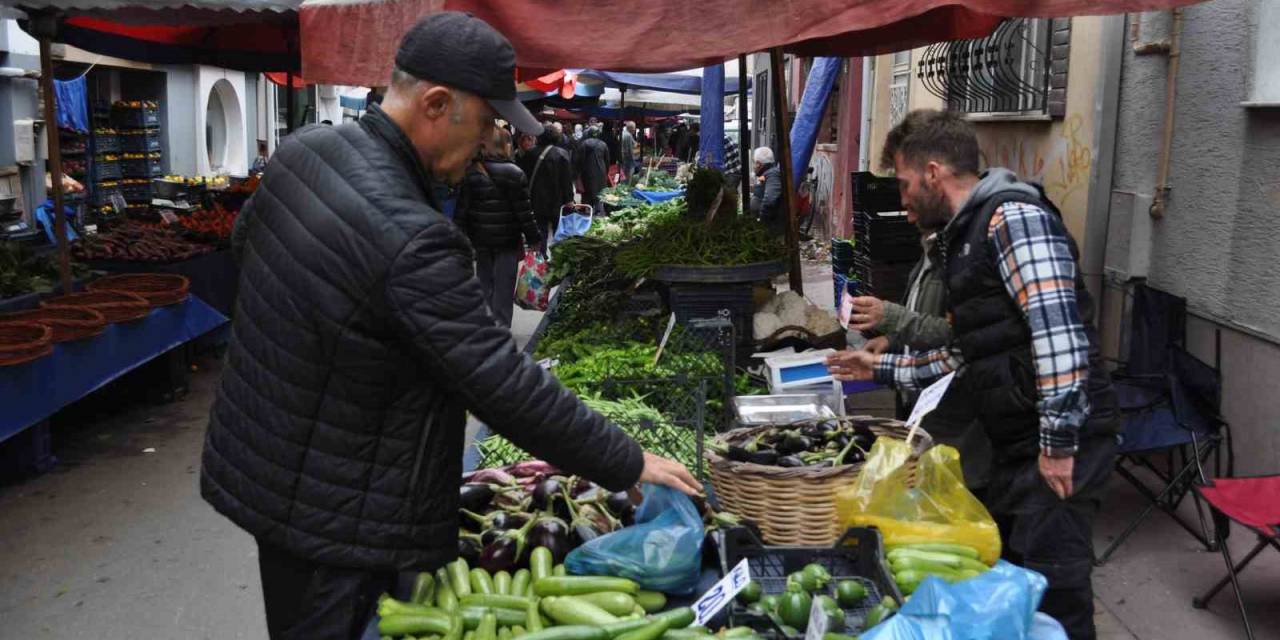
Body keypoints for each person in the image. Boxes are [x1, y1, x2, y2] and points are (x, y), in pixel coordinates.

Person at [201, 13, 700, 640]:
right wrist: (627, 461)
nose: (495, 140)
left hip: (264, 464)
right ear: (436, 104)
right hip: (339, 508)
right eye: (489, 121)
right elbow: (501, 381)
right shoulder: (413, 235)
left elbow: (246, 253)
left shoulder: (306, 151)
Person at [825, 109, 1118, 640]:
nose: (903, 198)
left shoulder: (1011, 219)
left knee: (1057, 586)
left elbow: (1059, 336)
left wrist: (1057, 442)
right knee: (1014, 576)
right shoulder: (963, 239)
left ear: (933, 172)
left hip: (1055, 440)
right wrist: (880, 365)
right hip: (1016, 436)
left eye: (905, 182)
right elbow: (964, 359)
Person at [458, 125, 542, 327]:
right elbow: (524, 212)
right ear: (506, 146)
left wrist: (461, 236)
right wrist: (534, 238)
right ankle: (501, 329)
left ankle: (484, 326)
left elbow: (463, 209)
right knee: (504, 287)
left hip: (480, 239)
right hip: (507, 240)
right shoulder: (514, 173)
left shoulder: (472, 171)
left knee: (484, 282)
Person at [517, 123, 576, 242]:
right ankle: (557, 256)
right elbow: (566, 180)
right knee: (559, 232)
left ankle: (541, 257)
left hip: (536, 200)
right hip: (557, 200)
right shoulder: (561, 154)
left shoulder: (530, 154)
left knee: (540, 231)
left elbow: (524, 177)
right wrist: (569, 199)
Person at [575, 127, 610, 211]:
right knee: (599, 195)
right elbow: (607, 161)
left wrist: (578, 174)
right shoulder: (603, 144)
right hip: (601, 173)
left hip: (587, 173)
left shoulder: (584, 144)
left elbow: (579, 161)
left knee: (587, 194)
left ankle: (586, 212)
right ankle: (598, 212)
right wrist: (605, 173)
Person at [749, 146, 783, 232]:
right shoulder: (767, 174)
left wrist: (761, 220)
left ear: (759, 164)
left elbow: (770, 199)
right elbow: (763, 189)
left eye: (754, 163)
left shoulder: (772, 174)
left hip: (769, 226)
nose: (753, 166)